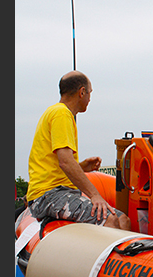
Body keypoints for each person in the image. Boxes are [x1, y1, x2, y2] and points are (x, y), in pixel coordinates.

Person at [25, 71, 130, 230]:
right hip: (48, 195)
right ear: (82, 92)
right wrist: (95, 195)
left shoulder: (55, 113)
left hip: (58, 191)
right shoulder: (61, 114)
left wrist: (81, 167)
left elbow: (58, 164)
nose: (90, 98)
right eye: (90, 93)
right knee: (109, 220)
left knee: (123, 220)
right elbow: (65, 162)